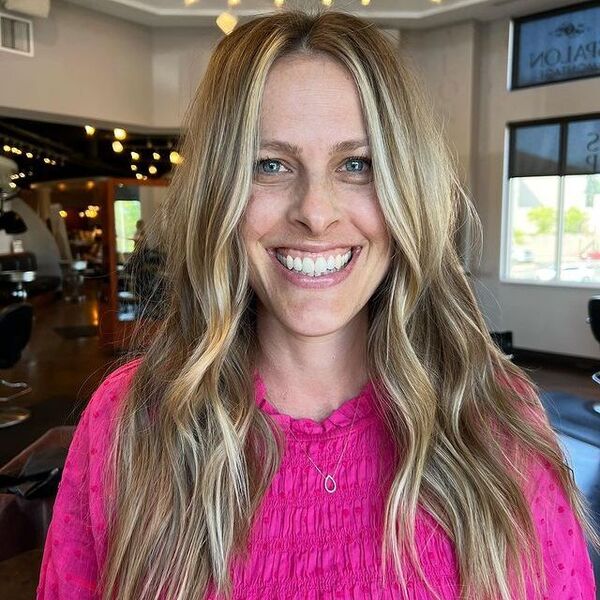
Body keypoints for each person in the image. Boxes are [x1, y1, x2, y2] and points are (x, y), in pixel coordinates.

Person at [37, 10, 598, 600]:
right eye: (270, 165)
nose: (316, 211)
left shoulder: (494, 417)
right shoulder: (131, 421)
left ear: (407, 190)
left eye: (357, 165)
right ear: (220, 192)